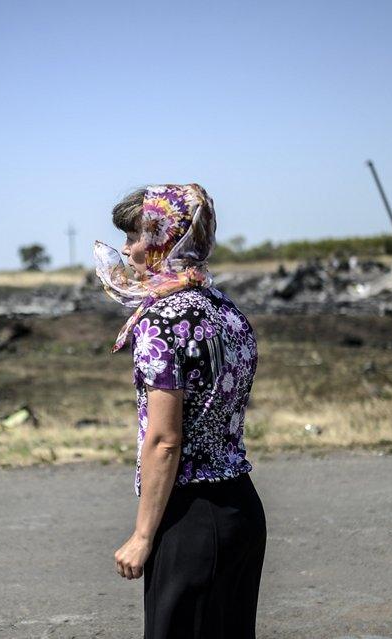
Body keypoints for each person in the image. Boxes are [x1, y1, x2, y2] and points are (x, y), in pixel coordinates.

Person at [92, 184, 267, 639]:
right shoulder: (226, 310)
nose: (127, 250)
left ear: (165, 237)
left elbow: (166, 440)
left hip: (190, 516)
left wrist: (143, 535)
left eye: (135, 236)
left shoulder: (163, 319)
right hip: (241, 510)